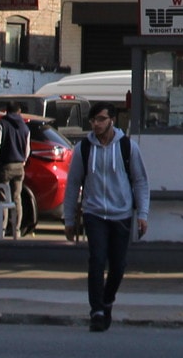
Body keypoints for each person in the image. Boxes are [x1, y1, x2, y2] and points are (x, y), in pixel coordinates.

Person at [62, 102, 149, 332]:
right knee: (97, 261)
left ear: (111, 120)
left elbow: (140, 181)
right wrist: (69, 218)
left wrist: (143, 213)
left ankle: (107, 299)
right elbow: (73, 184)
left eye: (101, 119)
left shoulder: (127, 147)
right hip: (94, 213)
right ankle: (97, 311)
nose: (96, 124)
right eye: (93, 120)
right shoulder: (84, 149)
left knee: (118, 266)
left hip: (121, 213)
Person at [0, 101, 32, 237]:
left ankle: (2, 229)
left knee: (2, 199)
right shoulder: (25, 127)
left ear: (6, 111)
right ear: (19, 112)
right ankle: (16, 230)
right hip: (19, 167)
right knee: (16, 198)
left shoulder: (2, 124)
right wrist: (22, 161)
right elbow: (27, 150)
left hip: (4, 167)